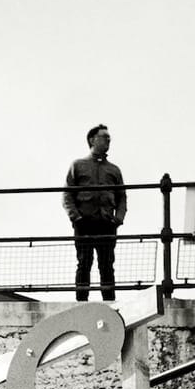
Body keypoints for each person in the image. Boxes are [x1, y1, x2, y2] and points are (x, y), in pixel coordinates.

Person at [63, 124, 126, 303]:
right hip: (85, 223)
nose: (108, 141)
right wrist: (76, 217)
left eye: (109, 138)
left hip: (106, 223)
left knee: (107, 265)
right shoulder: (78, 165)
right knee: (84, 263)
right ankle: (82, 302)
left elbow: (122, 196)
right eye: (104, 137)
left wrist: (118, 219)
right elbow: (67, 194)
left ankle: (110, 302)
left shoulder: (114, 170)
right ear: (92, 140)